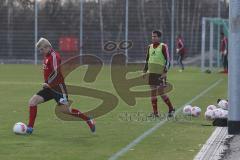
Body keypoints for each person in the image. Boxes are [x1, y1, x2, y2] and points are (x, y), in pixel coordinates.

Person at [26, 38, 95, 134]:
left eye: (42, 49)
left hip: (58, 88)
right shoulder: (47, 55)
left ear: (48, 47)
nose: (41, 52)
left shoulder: (54, 56)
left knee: (65, 111)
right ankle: (30, 128)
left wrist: (48, 83)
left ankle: (88, 119)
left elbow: (56, 72)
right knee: (32, 101)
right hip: (49, 87)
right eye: (40, 50)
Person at [143, 30, 175, 117]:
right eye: (152, 36)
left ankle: (171, 108)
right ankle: (155, 113)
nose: (153, 38)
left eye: (155, 36)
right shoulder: (149, 47)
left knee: (161, 93)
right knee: (153, 93)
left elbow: (168, 60)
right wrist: (144, 71)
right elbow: (147, 59)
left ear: (159, 37)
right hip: (151, 73)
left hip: (160, 73)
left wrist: (165, 72)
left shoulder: (163, 46)